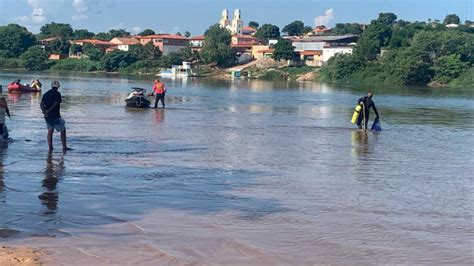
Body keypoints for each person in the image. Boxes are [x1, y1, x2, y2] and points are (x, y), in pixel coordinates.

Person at [40, 81, 72, 152]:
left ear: (51, 86)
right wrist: (48, 111)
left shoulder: (46, 93)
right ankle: (64, 147)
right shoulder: (57, 94)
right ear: (58, 86)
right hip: (55, 115)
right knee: (63, 130)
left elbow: (41, 104)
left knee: (50, 131)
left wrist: (44, 112)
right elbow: (55, 104)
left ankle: (50, 147)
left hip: (47, 116)